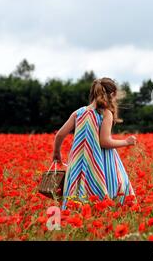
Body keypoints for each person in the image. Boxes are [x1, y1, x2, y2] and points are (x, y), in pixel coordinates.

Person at [51, 77, 136, 209]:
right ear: (112, 94)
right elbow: (104, 142)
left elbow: (60, 135)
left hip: (78, 162)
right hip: (101, 161)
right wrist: (126, 142)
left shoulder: (78, 112)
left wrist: (56, 153)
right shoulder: (106, 114)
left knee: (78, 196)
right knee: (113, 190)